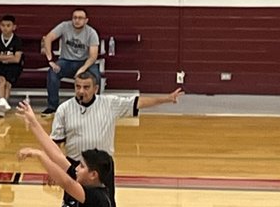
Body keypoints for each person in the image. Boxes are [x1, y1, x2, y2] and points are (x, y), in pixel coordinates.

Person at [51, 73, 185, 170]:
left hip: (102, 166)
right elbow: (55, 144)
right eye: (78, 87)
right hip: (75, 166)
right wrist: (55, 168)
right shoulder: (64, 109)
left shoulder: (110, 104)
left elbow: (138, 102)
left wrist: (166, 99)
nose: (81, 91)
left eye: (86, 87)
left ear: (96, 89)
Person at [40, 9, 101, 113]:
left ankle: (95, 105)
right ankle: (52, 106)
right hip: (66, 61)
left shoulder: (91, 32)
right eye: (75, 17)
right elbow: (48, 38)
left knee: (96, 76)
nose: (77, 20)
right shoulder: (64, 26)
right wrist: (50, 60)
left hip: (84, 62)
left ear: (86, 20)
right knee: (52, 73)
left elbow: (93, 56)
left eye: (80, 18)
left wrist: (82, 69)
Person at [0, 14, 24, 117]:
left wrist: (1, 56)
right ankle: (2, 105)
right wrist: (10, 57)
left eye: (8, 25)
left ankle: (1, 107)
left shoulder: (17, 41)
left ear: (14, 27)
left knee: (8, 84)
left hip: (14, 67)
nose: (5, 28)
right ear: (0, 26)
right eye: (3, 25)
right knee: (0, 80)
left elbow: (17, 59)